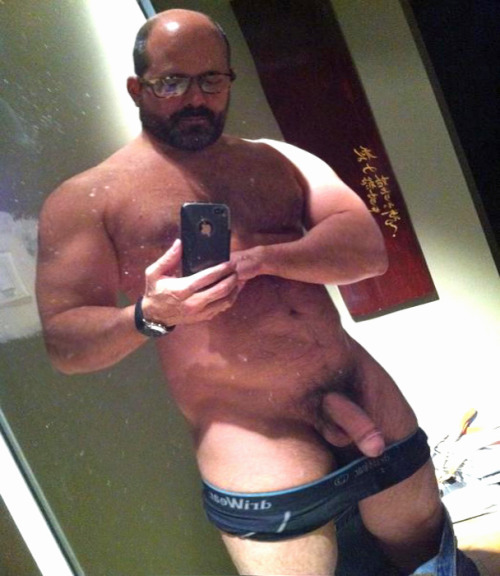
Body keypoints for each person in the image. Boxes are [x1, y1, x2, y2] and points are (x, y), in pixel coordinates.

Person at [36, 9, 477, 576]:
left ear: (229, 80)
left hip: (363, 391)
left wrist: (268, 259)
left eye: (211, 80)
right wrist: (151, 315)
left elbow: (366, 251)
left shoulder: (279, 158)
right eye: (171, 82)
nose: (195, 99)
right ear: (136, 88)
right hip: (254, 436)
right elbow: (65, 344)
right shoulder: (87, 198)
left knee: (430, 558)